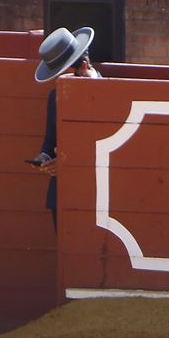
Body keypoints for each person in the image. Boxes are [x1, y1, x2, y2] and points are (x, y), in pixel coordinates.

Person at [31, 27, 102, 228]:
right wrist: (44, 158)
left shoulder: (110, 94)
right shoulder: (55, 97)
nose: (59, 82)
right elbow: (50, 141)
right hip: (63, 194)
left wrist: (65, 159)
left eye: (64, 75)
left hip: (99, 193)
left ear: (83, 66)